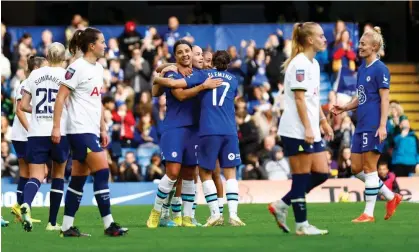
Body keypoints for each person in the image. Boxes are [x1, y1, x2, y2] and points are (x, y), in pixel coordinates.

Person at [154, 50, 246, 227]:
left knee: (204, 173)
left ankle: (214, 214)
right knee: (230, 174)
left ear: (211, 62)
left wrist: (158, 79)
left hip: (208, 130)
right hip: (229, 131)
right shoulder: (234, 80)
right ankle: (233, 215)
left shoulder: (202, 75)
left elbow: (175, 84)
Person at [51, 27, 128, 237]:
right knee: (102, 172)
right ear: (92, 46)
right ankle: (109, 224)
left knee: (78, 178)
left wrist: (102, 127)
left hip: (91, 129)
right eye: (102, 42)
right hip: (78, 129)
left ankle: (66, 226)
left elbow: (97, 100)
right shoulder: (77, 67)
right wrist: (57, 127)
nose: (105, 45)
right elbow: (60, 97)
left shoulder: (98, 68)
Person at [146, 40, 221, 228]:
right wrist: (202, 86)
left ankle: (187, 217)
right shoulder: (172, 72)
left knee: (189, 174)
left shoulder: (200, 73)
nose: (185, 54)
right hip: (174, 128)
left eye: (187, 51)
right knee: (172, 172)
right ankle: (155, 212)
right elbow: (179, 95)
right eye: (180, 52)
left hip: (195, 129)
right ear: (176, 56)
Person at [268, 22, 334, 236]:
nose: (325, 39)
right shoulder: (299, 64)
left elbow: (312, 99)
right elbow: (298, 100)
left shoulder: (313, 64)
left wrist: (323, 121)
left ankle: (282, 204)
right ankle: (302, 225)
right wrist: (307, 128)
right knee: (301, 177)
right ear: (310, 40)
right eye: (321, 36)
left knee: (323, 172)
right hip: (296, 129)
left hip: (310, 128)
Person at [331, 27, 402, 222]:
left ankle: (368, 213)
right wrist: (345, 108)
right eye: (360, 43)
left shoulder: (381, 69)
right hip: (360, 124)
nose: (359, 46)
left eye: (363, 43)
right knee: (356, 168)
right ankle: (390, 196)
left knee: (370, 168)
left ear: (374, 47)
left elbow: (385, 100)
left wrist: (382, 126)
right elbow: (361, 97)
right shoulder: (362, 68)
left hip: (373, 124)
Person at [19, 43, 69, 232]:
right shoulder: (67, 75)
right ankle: (52, 222)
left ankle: (27, 204)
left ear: (47, 56)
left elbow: (23, 105)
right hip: (60, 130)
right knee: (58, 174)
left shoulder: (34, 74)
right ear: (63, 57)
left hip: (36, 131)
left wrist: (39, 111)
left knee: (36, 175)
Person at [10, 56, 45, 225]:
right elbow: (19, 110)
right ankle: (22, 206)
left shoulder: (28, 83)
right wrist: (30, 129)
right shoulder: (26, 84)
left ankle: (21, 210)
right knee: (39, 172)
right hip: (25, 135)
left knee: (25, 173)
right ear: (37, 68)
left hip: (22, 135)